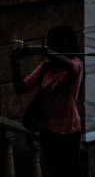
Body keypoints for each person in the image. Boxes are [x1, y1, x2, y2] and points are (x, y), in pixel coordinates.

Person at [9, 25, 85, 177]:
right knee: (53, 171)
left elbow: (69, 66)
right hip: (47, 129)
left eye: (53, 44)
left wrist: (42, 49)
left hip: (68, 131)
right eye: (48, 44)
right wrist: (15, 67)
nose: (50, 48)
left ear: (64, 45)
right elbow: (22, 87)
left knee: (70, 172)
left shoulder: (76, 64)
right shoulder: (45, 67)